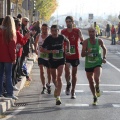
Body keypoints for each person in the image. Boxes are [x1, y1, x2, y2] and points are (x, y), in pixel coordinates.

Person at [40, 25, 70, 105]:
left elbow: (68, 41)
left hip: (61, 59)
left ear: (58, 30)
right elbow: (41, 49)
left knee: (59, 77)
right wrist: (51, 52)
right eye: (52, 31)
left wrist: (67, 50)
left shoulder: (61, 37)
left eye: (55, 30)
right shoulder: (48, 39)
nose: (54, 32)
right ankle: (56, 88)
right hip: (52, 60)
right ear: (51, 31)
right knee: (54, 78)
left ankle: (58, 97)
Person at [81, 27, 107, 105]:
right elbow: (82, 54)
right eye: (90, 32)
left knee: (96, 78)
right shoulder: (85, 42)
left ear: (96, 33)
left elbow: (104, 49)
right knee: (91, 81)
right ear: (88, 33)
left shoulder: (99, 41)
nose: (91, 33)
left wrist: (104, 57)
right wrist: (87, 52)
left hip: (97, 63)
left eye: (93, 32)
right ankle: (94, 96)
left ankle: (98, 87)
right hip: (88, 64)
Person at [61, 16, 84, 99]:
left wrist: (84, 44)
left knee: (74, 74)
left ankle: (73, 91)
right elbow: (60, 41)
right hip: (66, 54)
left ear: (72, 22)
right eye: (67, 21)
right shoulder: (63, 32)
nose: (68, 23)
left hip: (75, 55)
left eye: (69, 21)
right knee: (67, 71)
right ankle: (68, 84)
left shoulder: (77, 31)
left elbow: (82, 39)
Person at [0, 15, 18, 100]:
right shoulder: (11, 34)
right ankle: (9, 93)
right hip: (7, 58)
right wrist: (14, 58)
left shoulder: (0, 32)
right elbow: (12, 48)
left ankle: (0, 92)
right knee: (8, 75)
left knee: (0, 75)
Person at [35, 24, 51, 94]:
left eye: (46, 29)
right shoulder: (39, 36)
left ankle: (48, 84)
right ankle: (44, 86)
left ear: (48, 29)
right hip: (41, 56)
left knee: (49, 72)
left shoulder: (50, 37)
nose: (44, 30)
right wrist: (35, 49)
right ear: (41, 29)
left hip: (48, 57)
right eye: (43, 29)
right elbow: (35, 43)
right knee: (42, 71)